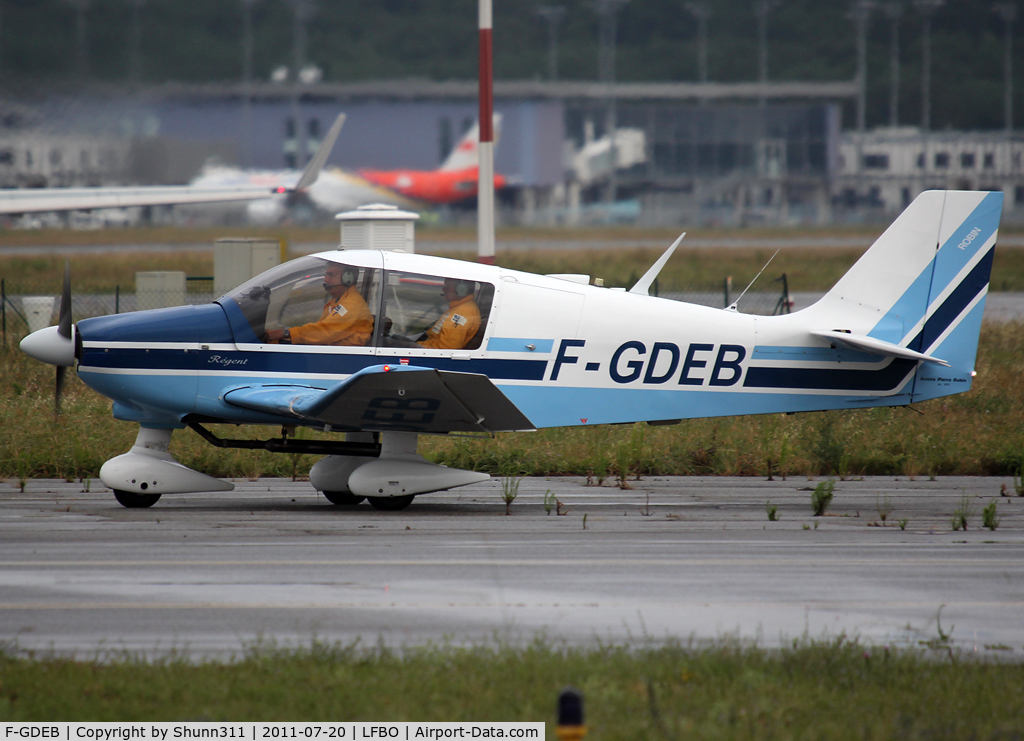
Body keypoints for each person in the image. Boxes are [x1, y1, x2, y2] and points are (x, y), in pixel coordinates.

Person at [265, 263, 373, 346]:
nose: (326, 279)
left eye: (331, 275)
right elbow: (319, 333)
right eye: (326, 275)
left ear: (348, 278)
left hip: (343, 362)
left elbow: (324, 332)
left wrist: (286, 333)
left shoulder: (351, 305)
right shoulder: (337, 301)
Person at [418, 277, 480, 350]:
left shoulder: (463, 312)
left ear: (461, 290)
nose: (443, 289)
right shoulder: (460, 307)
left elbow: (446, 347)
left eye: (447, 286)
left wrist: (417, 346)